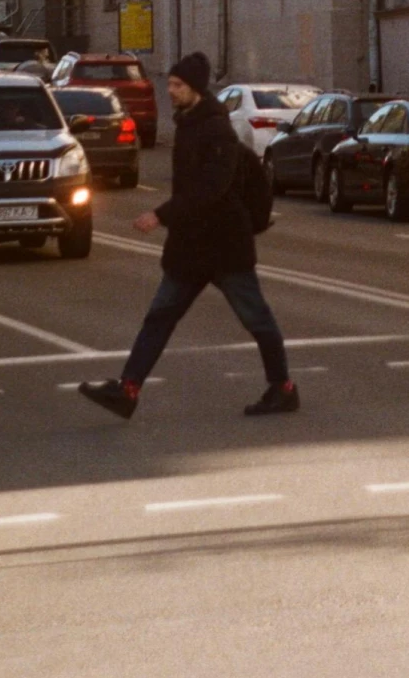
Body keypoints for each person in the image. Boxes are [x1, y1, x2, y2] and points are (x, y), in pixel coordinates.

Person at [79, 50, 297, 420]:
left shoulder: (216, 130)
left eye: (178, 85)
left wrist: (159, 215)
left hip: (224, 246)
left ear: (195, 88)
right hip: (191, 247)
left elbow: (210, 188)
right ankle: (127, 390)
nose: (171, 91)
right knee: (159, 317)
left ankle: (283, 388)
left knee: (256, 318)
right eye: (171, 84)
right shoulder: (190, 123)